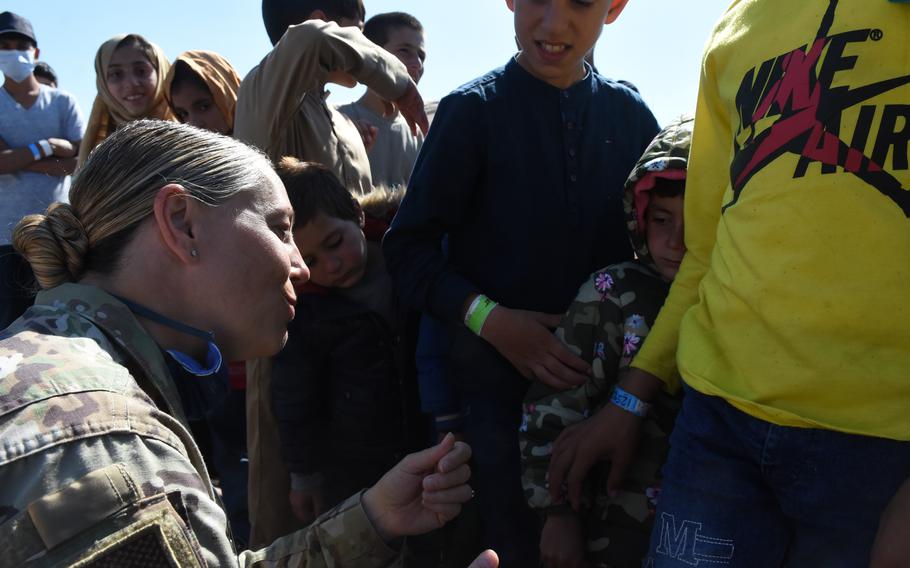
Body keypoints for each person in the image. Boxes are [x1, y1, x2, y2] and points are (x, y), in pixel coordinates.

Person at [0, 119, 482, 567]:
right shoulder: (103, 440)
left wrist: (370, 520)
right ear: (182, 222)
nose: (302, 267)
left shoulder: (69, 370)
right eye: (280, 228)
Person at [548, 1, 910, 566]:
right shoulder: (735, 29)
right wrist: (628, 400)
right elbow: (706, 252)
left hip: (880, 449)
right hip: (717, 429)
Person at [382, 0, 659, 564]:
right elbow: (408, 252)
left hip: (616, 404)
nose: (554, 24)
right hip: (499, 408)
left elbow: (668, 257)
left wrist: (632, 396)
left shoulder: (631, 118)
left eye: (580, 2)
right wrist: (494, 321)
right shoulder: (470, 112)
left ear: (615, 7)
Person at [236, 0, 428, 548]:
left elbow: (357, 212)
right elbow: (307, 39)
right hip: (287, 335)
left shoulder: (338, 120)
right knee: (288, 507)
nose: (367, 48)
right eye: (362, 35)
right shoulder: (269, 94)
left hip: (358, 339)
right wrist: (394, 80)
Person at [520, 116, 691, 568]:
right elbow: (554, 410)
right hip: (608, 526)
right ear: (638, 217)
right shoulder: (610, 294)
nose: (677, 240)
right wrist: (557, 515)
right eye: (661, 219)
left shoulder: (736, 298)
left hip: (701, 526)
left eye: (698, 220)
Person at [271, 158, 424, 524]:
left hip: (433, 436)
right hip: (357, 465)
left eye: (334, 243)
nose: (331, 266)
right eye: (310, 260)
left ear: (356, 214)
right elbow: (295, 398)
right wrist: (304, 476)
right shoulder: (305, 312)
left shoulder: (411, 257)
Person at [0, 11, 83, 328]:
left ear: (35, 52)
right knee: (8, 328)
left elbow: (77, 161)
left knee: (59, 325)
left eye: (19, 44)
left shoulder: (64, 102)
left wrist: (17, 156)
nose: (12, 51)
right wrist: (47, 146)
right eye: (3, 45)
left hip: (56, 234)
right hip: (4, 240)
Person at [337, 12, 426, 188]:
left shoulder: (418, 135)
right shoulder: (339, 120)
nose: (418, 63)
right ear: (372, 55)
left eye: (421, 55)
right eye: (404, 51)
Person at [77, 33, 174, 166]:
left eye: (141, 71)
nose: (131, 83)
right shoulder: (97, 153)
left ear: (161, 71)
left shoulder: (191, 128)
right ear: (103, 84)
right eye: (116, 74)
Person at [164, 50, 242, 135]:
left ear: (227, 95)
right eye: (183, 114)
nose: (194, 125)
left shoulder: (257, 135)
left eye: (204, 107)